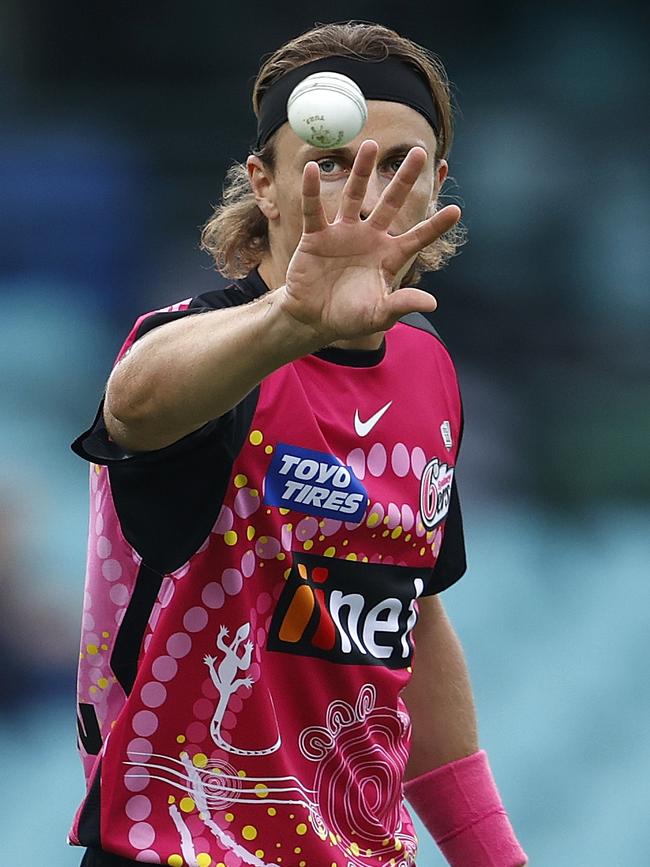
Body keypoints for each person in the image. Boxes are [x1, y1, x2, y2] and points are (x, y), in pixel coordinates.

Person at [69, 21, 528, 867]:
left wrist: (494, 858)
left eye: (399, 163)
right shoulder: (201, 347)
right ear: (265, 185)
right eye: (332, 158)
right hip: (179, 850)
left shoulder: (429, 373)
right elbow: (132, 404)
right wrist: (290, 320)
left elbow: (410, 618)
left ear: (438, 189)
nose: (365, 185)